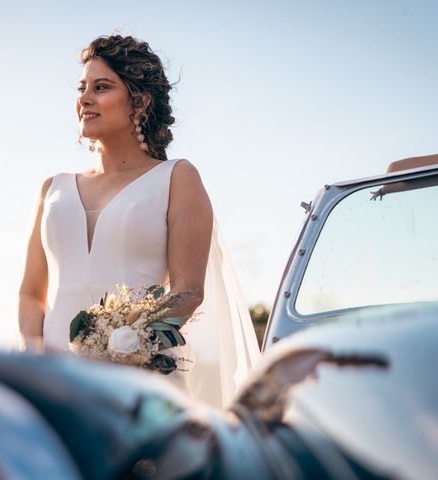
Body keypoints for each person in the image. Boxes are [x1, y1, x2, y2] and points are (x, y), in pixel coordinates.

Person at [18, 35, 259, 407]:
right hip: (54, 387)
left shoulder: (176, 177)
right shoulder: (53, 188)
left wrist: (123, 345)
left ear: (140, 101)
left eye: (101, 87)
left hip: (140, 384)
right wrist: (34, 361)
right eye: (82, 88)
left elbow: (188, 291)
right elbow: (31, 293)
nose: (84, 99)